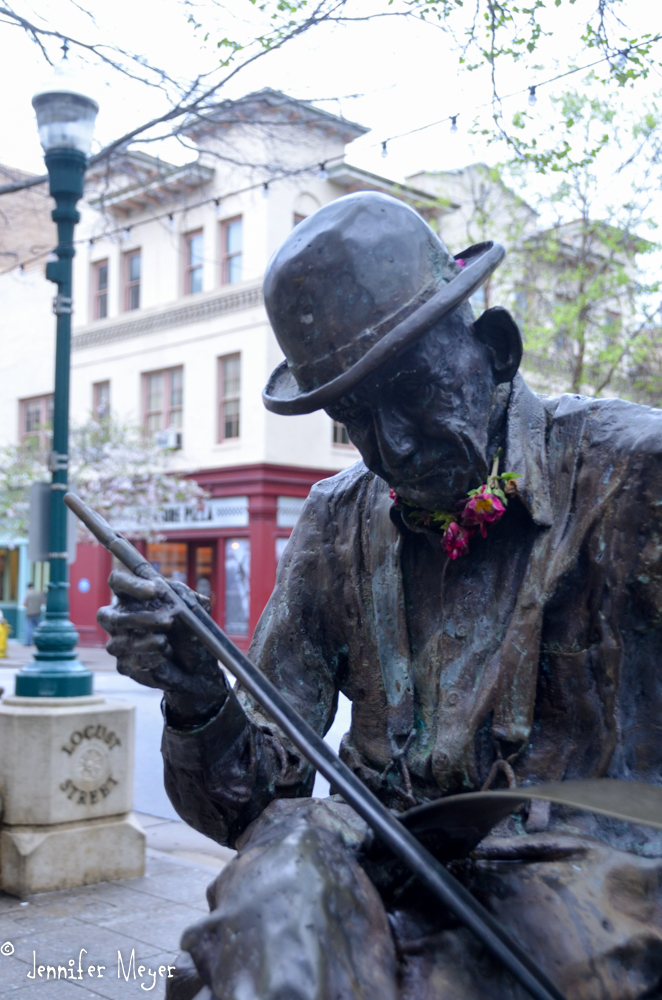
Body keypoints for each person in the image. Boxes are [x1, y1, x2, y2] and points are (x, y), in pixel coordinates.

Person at [99, 192, 662, 1000]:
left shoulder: (634, 476)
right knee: (279, 890)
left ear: (495, 351)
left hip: (581, 892)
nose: (389, 445)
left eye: (412, 393)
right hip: (368, 865)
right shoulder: (335, 519)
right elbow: (256, 804)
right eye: (354, 416)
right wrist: (196, 696)